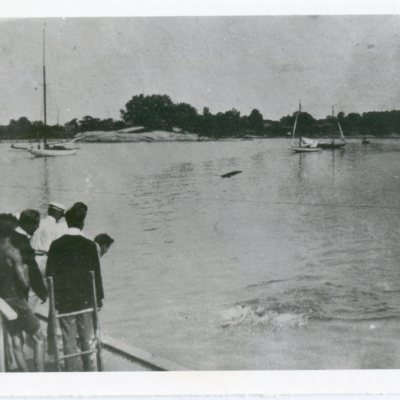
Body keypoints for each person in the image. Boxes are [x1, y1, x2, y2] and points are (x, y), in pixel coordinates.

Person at [46, 206, 103, 371]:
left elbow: (50, 275)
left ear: (67, 222)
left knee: (68, 339)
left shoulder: (56, 245)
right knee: (88, 338)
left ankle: (71, 373)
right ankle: (90, 371)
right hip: (85, 300)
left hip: (65, 301)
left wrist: (55, 300)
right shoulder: (90, 246)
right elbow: (96, 275)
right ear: (82, 223)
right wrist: (98, 298)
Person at [0, 216, 45, 372]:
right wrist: (25, 270)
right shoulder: (12, 252)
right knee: (39, 337)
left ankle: (25, 377)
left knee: (15, 339)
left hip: (3, 301)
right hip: (16, 299)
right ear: (11, 233)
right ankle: (39, 377)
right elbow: (24, 283)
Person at [10, 210, 47, 304]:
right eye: (36, 224)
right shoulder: (24, 244)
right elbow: (33, 271)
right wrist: (42, 293)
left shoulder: (9, 235)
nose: (38, 227)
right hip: (16, 292)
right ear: (28, 224)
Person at [31, 201, 67, 275]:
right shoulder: (56, 227)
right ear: (57, 213)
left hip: (32, 258)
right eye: (60, 215)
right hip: (45, 259)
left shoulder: (37, 222)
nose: (60, 218)